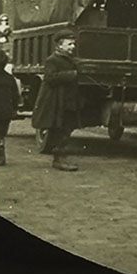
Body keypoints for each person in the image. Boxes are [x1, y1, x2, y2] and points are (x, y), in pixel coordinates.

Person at [31, 28, 81, 172]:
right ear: (60, 45)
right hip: (57, 102)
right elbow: (50, 78)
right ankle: (59, 159)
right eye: (69, 44)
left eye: (73, 44)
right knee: (59, 130)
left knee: (66, 129)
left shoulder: (71, 60)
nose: (73, 47)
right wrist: (72, 74)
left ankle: (61, 158)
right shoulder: (52, 60)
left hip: (68, 101)